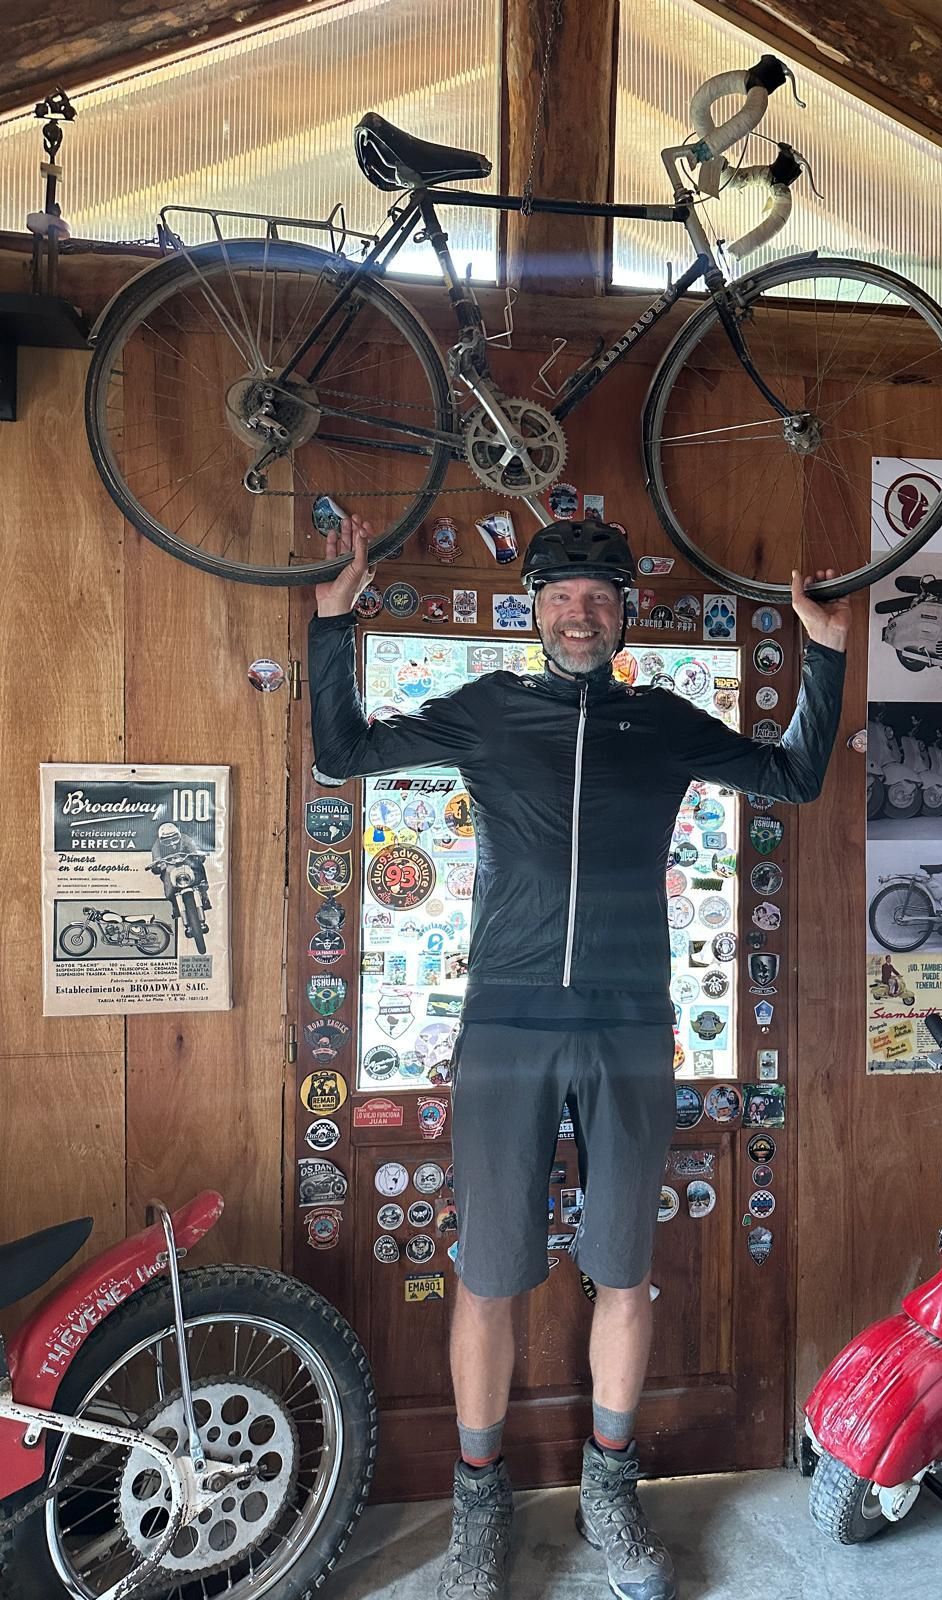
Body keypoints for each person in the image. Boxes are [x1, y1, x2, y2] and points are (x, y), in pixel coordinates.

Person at [308, 513, 849, 1600]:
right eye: (560, 595)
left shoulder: (661, 721)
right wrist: (332, 626)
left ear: (623, 612)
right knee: (488, 1273)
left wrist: (826, 650)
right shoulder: (488, 710)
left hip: (630, 1022)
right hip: (504, 1024)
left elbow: (793, 775)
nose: (579, 612)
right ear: (534, 610)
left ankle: (610, 1488)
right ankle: (478, 1500)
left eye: (598, 595)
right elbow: (344, 751)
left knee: (626, 1270)